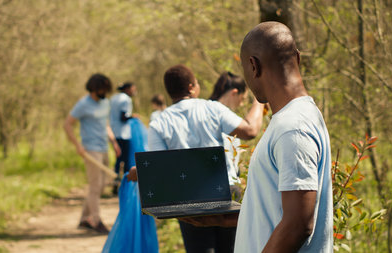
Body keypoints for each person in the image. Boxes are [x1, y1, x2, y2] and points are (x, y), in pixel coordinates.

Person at [129, 64, 264, 253]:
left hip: (187, 199)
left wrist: (139, 172)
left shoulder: (159, 123)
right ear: (192, 87)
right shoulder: (212, 109)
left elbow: (159, 168)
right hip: (226, 192)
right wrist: (260, 100)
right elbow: (250, 130)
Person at [234, 22, 333, 252]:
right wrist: (222, 219)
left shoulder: (293, 127)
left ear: (253, 66)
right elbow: (278, 209)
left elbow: (298, 224)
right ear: (297, 58)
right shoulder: (296, 119)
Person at [64, 73, 121, 234]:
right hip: (90, 149)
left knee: (102, 185)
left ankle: (84, 220)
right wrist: (78, 146)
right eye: (102, 90)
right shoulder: (83, 104)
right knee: (95, 187)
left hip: (103, 148)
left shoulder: (105, 103)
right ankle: (95, 221)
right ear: (94, 89)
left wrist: (114, 142)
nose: (105, 93)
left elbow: (106, 125)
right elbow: (67, 124)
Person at [209, 71, 248, 196]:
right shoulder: (227, 121)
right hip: (227, 187)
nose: (241, 104)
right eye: (242, 99)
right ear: (234, 93)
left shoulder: (205, 114)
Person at [109, 82, 136, 195]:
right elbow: (123, 117)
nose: (134, 91)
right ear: (128, 89)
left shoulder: (113, 98)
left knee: (118, 159)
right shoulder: (126, 100)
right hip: (124, 133)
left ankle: (115, 182)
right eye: (133, 89)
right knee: (126, 160)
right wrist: (133, 116)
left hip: (114, 132)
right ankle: (125, 186)